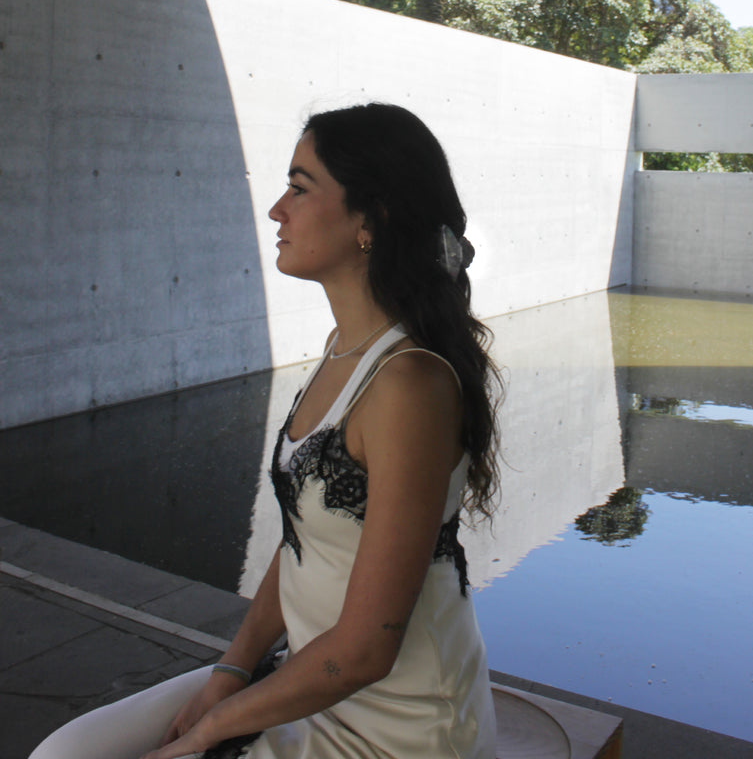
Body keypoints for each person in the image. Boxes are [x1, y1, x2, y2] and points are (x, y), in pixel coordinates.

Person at [29, 102, 501, 759]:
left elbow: (366, 650)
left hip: (400, 728)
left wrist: (214, 728)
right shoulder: (344, 349)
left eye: (299, 188)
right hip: (312, 683)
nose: (278, 210)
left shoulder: (408, 384)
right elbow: (307, 540)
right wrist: (231, 670)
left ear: (370, 220)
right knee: (67, 751)